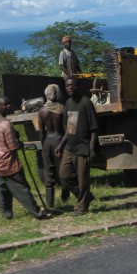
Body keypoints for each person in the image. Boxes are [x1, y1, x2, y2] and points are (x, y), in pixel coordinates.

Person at [0, 95, 47, 219]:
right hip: (9, 162)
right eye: (6, 104)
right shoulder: (6, 124)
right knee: (22, 188)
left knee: (2, 188)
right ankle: (38, 213)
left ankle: (6, 213)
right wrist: (19, 143)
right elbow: (13, 146)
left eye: (9, 103)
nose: (9, 106)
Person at [55, 77, 98, 215]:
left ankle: (81, 207)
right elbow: (70, 127)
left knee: (83, 179)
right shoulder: (68, 103)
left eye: (72, 85)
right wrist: (61, 145)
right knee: (64, 175)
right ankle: (86, 197)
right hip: (70, 147)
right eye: (67, 86)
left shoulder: (86, 103)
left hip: (83, 147)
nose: (69, 88)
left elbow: (94, 129)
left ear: (77, 86)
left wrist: (91, 148)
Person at [37, 84, 69, 208]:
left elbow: (41, 132)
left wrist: (43, 148)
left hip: (47, 143)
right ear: (57, 94)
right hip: (59, 141)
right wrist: (62, 145)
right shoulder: (62, 109)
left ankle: (50, 205)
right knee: (63, 172)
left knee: (48, 174)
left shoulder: (41, 111)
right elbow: (68, 130)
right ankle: (65, 199)